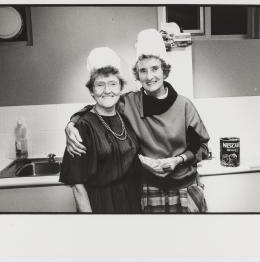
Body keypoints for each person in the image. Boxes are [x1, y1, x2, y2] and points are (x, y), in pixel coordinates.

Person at [65, 29, 210, 213]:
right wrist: (72, 123)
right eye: (143, 71)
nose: (150, 77)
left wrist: (178, 160)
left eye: (155, 69)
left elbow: (202, 148)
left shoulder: (184, 106)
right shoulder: (129, 103)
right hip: (150, 190)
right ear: (137, 75)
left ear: (164, 71)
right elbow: (100, 105)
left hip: (186, 188)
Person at [59, 47, 142, 213]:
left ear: (120, 88)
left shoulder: (125, 118)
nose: (107, 91)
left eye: (113, 84)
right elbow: (77, 185)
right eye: (100, 85)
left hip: (130, 201)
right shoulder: (82, 126)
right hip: (101, 205)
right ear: (91, 90)